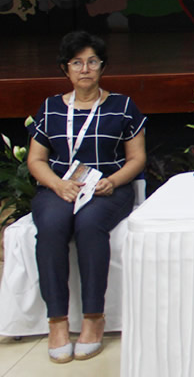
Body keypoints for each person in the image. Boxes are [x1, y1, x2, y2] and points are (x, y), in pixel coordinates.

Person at [26, 31, 146, 363]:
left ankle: (94, 318)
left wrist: (113, 180)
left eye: (92, 62)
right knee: (51, 225)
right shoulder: (50, 108)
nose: (85, 69)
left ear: (102, 67)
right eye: (76, 62)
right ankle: (57, 322)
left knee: (90, 224)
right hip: (60, 187)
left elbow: (137, 158)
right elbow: (35, 160)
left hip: (108, 188)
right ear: (65, 68)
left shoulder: (122, 106)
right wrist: (57, 185)